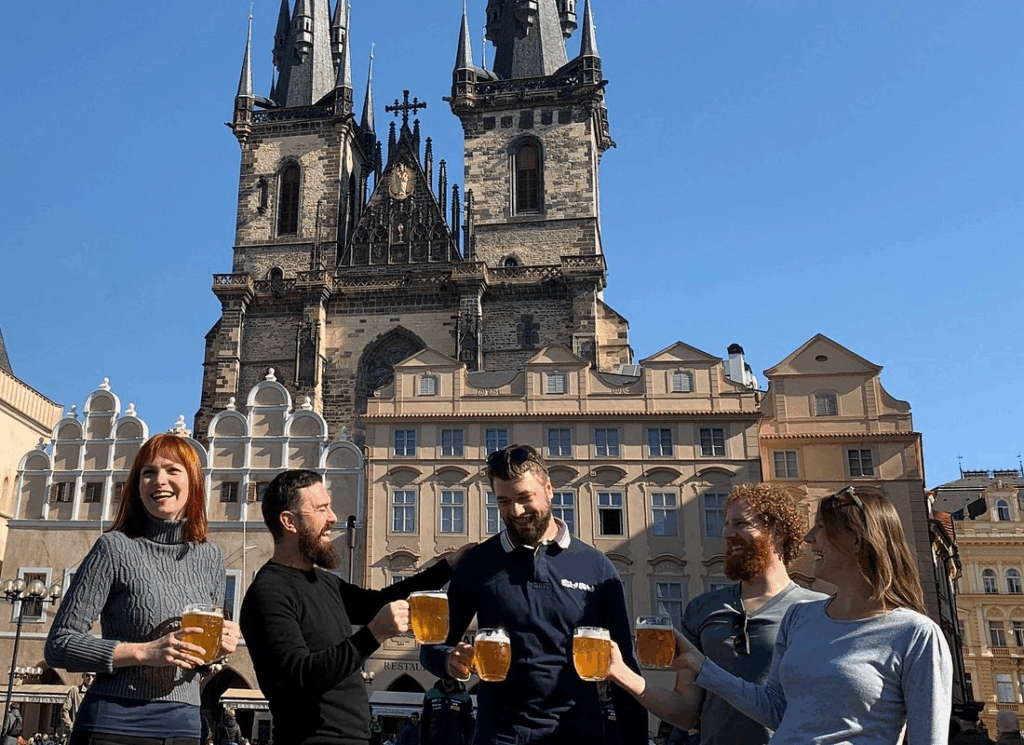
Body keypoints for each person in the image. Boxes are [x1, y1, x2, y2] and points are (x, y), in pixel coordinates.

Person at [673, 486, 953, 744]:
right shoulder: (799, 617)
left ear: (855, 539)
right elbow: (775, 708)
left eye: (821, 527)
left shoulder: (915, 634)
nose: (808, 538)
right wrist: (703, 667)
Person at [420, 444, 647, 744]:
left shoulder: (597, 568)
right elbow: (430, 648)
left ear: (549, 489)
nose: (515, 511)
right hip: (499, 736)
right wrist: (449, 660)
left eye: (525, 498)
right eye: (503, 501)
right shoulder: (477, 563)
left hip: (578, 735)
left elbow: (626, 672)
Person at [240, 469, 471, 745]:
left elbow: (377, 602)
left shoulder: (325, 582)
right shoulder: (268, 592)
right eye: (321, 509)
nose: (333, 517)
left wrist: (447, 566)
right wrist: (374, 634)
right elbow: (301, 677)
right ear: (290, 522)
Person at [45, 433, 241, 745]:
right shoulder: (114, 548)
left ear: (193, 482)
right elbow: (59, 644)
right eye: (148, 472)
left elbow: (200, 660)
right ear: (138, 487)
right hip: (114, 722)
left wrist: (219, 647)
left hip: (185, 724)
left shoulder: (211, 557)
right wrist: (143, 652)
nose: (159, 480)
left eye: (172, 470)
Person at [605, 483, 826, 745]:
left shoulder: (815, 610)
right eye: (726, 524)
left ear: (776, 532)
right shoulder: (703, 608)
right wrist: (621, 673)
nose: (727, 533)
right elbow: (685, 714)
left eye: (740, 524)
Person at [421, 678, 473, 745]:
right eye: (446, 675)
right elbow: (424, 722)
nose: (449, 678)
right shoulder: (431, 694)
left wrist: (468, 742)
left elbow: (469, 724)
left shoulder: (464, 697)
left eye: (451, 675)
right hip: (434, 741)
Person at [61, 673, 95, 738]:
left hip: (91, 731)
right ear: (83, 676)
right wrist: (70, 726)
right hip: (77, 730)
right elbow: (64, 709)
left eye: (93, 676)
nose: (90, 678)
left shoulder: (97, 692)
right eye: (88, 675)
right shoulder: (75, 691)